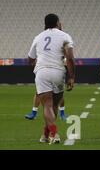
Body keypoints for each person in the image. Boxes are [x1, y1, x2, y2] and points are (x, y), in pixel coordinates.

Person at [27, 14, 75, 144]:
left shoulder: (38, 37)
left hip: (42, 72)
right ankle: (50, 134)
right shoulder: (65, 36)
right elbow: (70, 57)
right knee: (54, 104)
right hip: (58, 72)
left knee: (47, 105)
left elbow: (30, 58)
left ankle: (50, 134)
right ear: (57, 23)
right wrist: (71, 77)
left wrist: (37, 65)